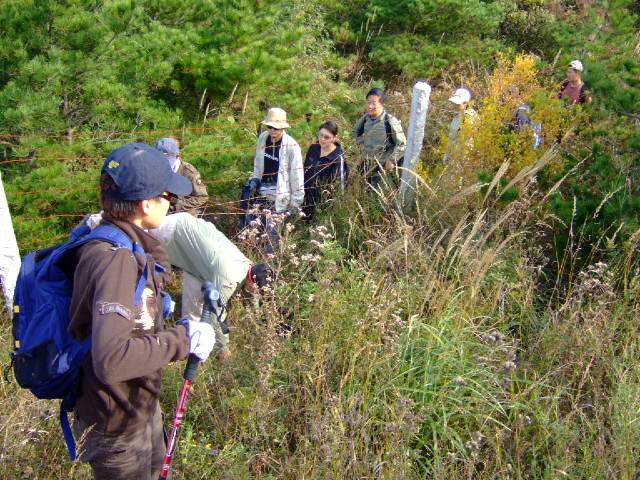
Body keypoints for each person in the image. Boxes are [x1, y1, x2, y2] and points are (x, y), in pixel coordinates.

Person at [69, 142, 216, 480]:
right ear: (145, 203)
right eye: (167, 195)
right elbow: (112, 360)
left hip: (140, 408)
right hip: (118, 426)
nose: (172, 202)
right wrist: (183, 340)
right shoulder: (115, 259)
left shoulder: (126, 242)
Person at [241, 107, 304, 252]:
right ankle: (253, 258)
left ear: (283, 127)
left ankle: (270, 264)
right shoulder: (263, 138)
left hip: (279, 198)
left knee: (272, 238)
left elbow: (297, 175)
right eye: (269, 127)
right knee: (253, 230)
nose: (272, 131)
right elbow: (258, 163)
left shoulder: (292, 147)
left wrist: (295, 203)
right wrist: (254, 179)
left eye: (276, 128)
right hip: (260, 193)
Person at [352, 87, 406, 184]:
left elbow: (402, 144)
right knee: (361, 187)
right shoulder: (365, 119)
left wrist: (391, 160)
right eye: (368, 102)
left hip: (383, 166)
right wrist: (360, 144)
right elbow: (355, 132)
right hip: (366, 163)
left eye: (374, 103)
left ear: (382, 103)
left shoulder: (390, 121)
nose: (370, 106)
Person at [302, 121, 349, 219]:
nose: (322, 139)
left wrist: (329, 209)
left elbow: (339, 187)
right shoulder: (313, 148)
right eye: (320, 135)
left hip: (321, 206)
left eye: (327, 137)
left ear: (334, 138)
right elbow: (304, 170)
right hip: (304, 199)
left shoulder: (337, 158)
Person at [156, 137, 209, 215]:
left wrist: (177, 205)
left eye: (166, 157)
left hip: (182, 215)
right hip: (159, 212)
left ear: (177, 155)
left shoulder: (189, 173)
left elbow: (201, 197)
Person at [444, 88, 478, 162]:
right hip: (453, 155)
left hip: (462, 158)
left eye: (457, 104)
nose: (454, 105)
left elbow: (466, 141)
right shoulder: (458, 115)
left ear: (465, 103)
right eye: (454, 103)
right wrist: (447, 156)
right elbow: (452, 138)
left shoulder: (469, 118)